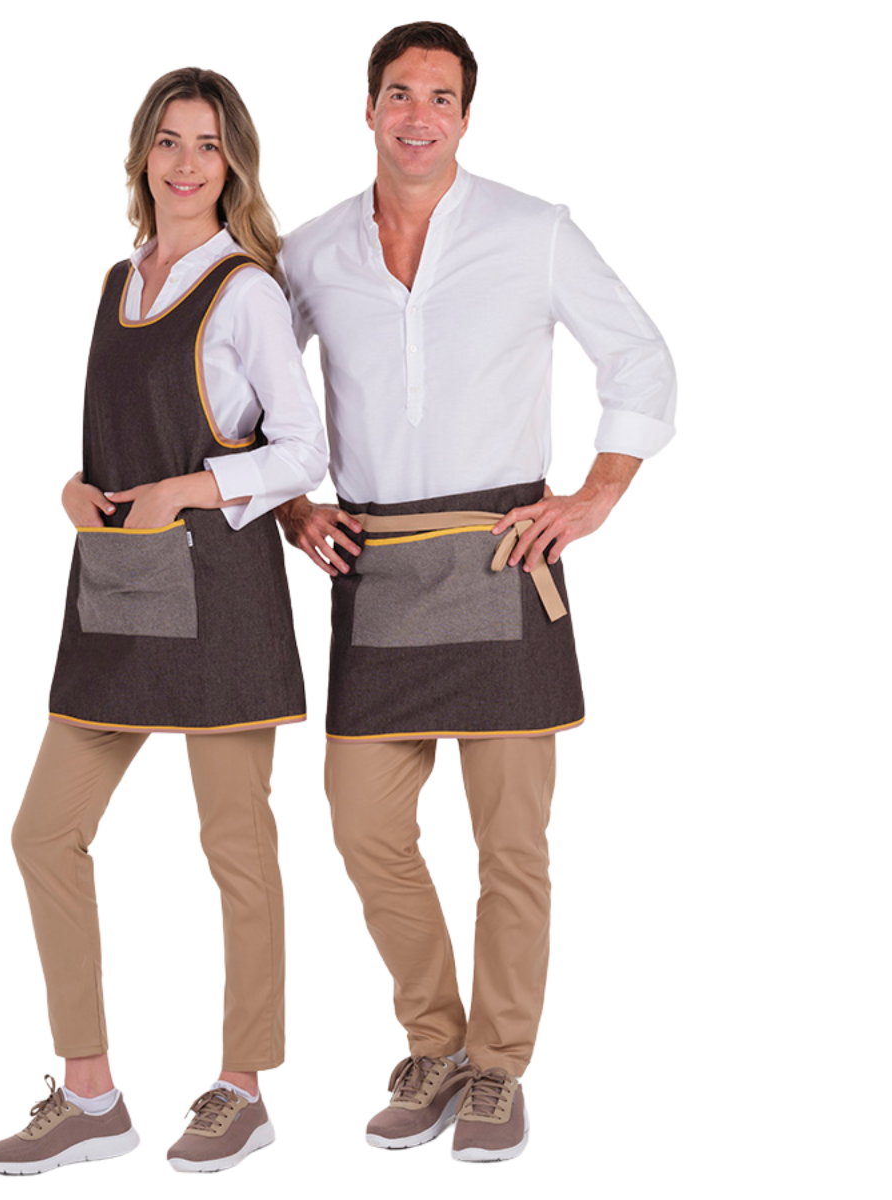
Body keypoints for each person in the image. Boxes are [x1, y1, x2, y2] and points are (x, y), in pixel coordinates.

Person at [277, 21, 676, 1163]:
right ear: (368, 108)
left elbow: (640, 357)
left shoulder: (532, 230)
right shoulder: (309, 252)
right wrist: (294, 506)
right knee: (364, 825)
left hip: (504, 557)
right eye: (400, 94)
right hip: (380, 568)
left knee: (511, 845)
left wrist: (597, 494)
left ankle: (498, 1068)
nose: (419, 117)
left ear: (465, 114)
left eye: (441, 98)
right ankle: (435, 1044)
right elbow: (249, 387)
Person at [0, 67, 326, 1176]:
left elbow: (305, 450)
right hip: (121, 586)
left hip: (222, 595)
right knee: (45, 833)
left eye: (208, 145)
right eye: (169, 141)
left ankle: (243, 1089)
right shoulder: (116, 282)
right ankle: (91, 1095)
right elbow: (114, 440)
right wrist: (73, 489)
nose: (186, 163)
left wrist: (190, 487)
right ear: (141, 155)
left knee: (236, 847)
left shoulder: (246, 291)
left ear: (233, 165)